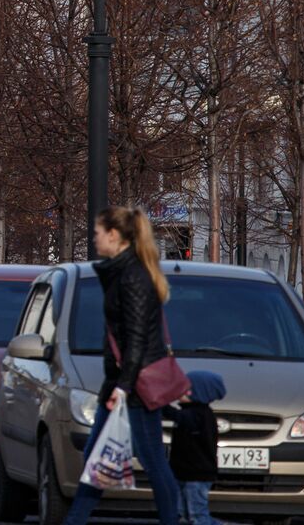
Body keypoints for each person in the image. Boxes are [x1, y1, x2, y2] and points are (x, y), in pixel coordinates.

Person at [65, 206, 182, 525]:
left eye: (97, 232)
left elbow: (136, 339)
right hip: (121, 384)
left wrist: (123, 386)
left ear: (114, 236)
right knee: (96, 459)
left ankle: (173, 520)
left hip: (133, 389)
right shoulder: (123, 272)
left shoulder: (132, 277)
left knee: (153, 462)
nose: (94, 238)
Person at [168, 370, 225, 525]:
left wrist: (160, 405)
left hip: (196, 475)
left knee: (197, 516)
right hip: (185, 473)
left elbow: (180, 417)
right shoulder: (192, 412)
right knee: (184, 515)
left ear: (198, 392)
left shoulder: (200, 414)